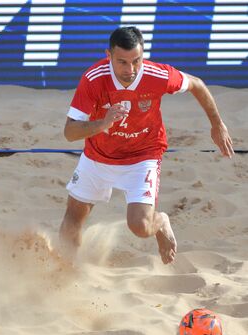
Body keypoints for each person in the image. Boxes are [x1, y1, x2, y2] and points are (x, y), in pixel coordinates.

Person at [60, 26, 234, 264]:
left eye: (136, 61)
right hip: (98, 154)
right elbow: (69, 133)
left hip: (143, 155)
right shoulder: (94, 78)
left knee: (140, 226)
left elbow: (197, 84)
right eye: (122, 62)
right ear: (108, 55)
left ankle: (160, 221)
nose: (130, 70)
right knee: (73, 219)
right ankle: (65, 273)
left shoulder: (156, 75)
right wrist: (103, 123)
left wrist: (217, 125)